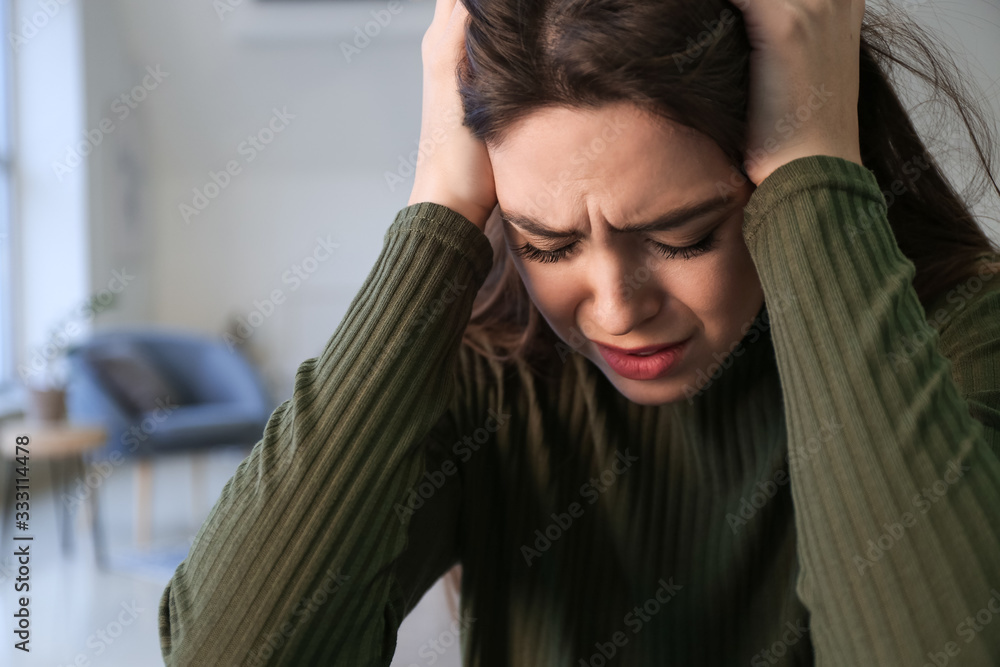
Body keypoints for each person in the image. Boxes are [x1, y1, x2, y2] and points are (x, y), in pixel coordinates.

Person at [158, 0, 1000, 664]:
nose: (614, 309)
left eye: (683, 235)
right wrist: (437, 208)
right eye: (546, 243)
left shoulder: (963, 339)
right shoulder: (487, 371)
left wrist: (813, 170)